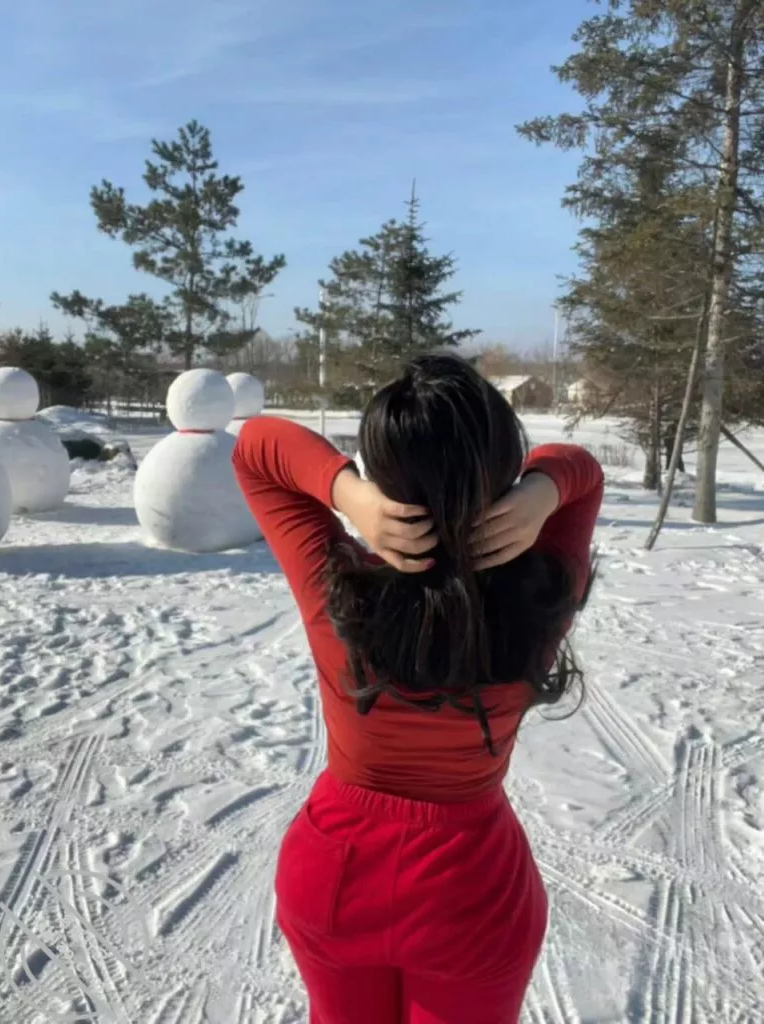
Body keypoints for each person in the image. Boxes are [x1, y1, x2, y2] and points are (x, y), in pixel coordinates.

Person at [232, 353, 603, 1024]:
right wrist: (543, 491)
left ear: (383, 474)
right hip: (471, 892)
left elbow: (258, 447)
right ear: (503, 469)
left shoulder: (337, 589)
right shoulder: (539, 598)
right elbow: (582, 468)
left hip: (335, 875)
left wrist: (347, 494)